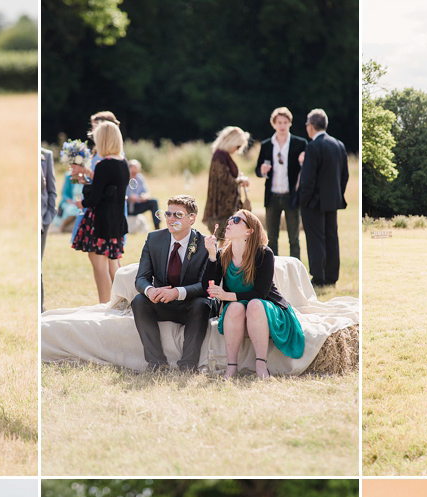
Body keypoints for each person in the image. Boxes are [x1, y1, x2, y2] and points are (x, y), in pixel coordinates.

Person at [202, 209, 304, 379]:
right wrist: (212, 255)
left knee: (255, 305)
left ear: (249, 231)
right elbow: (208, 285)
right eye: (230, 219)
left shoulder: (263, 254)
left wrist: (226, 296)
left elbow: (261, 293)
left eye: (236, 220)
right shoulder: (223, 254)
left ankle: (261, 365)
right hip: (237, 306)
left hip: (267, 305)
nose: (230, 222)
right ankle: (231, 367)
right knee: (234, 308)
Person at [131, 195, 218, 373]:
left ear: (191, 218)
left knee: (202, 304)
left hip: (192, 305)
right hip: (162, 303)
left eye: (177, 215)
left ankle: (188, 365)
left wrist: (177, 292)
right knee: (139, 301)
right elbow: (141, 278)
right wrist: (150, 290)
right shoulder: (153, 239)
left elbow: (206, 286)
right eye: (168, 213)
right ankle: (157, 363)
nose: (170, 219)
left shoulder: (204, 244)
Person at [72, 120, 129, 304]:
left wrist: (83, 203)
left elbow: (96, 198)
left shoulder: (105, 164)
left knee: (99, 265)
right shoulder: (123, 162)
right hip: (115, 220)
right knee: (110, 262)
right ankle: (116, 303)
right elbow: (108, 190)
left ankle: (104, 304)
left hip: (101, 221)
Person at [298, 108, 349, 289]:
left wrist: (303, 200)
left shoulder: (313, 146)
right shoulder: (339, 145)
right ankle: (331, 277)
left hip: (313, 202)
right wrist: (337, 194)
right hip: (332, 201)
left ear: (311, 126)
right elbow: (344, 176)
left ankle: (319, 278)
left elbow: (308, 179)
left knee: (316, 239)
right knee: (331, 238)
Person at [254, 107, 306, 259]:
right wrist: (262, 170)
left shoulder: (300, 144)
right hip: (272, 196)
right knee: (271, 238)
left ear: (290, 123)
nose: (282, 125)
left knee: (294, 239)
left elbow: (307, 169)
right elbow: (257, 170)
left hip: (292, 196)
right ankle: (272, 272)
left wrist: (304, 161)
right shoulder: (266, 145)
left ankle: (295, 272)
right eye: (279, 122)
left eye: (285, 122)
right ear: (274, 124)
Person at [202, 126, 250, 239]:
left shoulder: (223, 156)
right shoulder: (220, 156)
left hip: (226, 207)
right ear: (231, 142)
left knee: (227, 240)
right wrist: (241, 180)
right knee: (224, 241)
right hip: (222, 209)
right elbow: (224, 181)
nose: (238, 150)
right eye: (238, 146)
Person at [42, 146, 57, 311]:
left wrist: (49, 216)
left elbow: (51, 190)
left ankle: (40, 308)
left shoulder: (46, 155)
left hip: (43, 219)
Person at [126, 160, 161, 230]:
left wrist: (144, 197)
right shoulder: (123, 178)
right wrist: (129, 198)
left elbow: (146, 192)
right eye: (133, 172)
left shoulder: (140, 178)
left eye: (136, 172)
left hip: (138, 204)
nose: (135, 175)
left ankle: (157, 227)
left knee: (153, 201)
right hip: (126, 205)